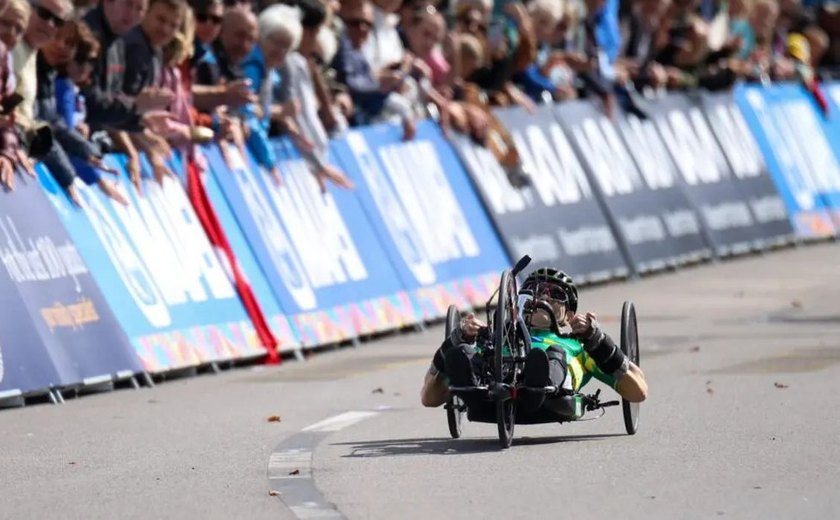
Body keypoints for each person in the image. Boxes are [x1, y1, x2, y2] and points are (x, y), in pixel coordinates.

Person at [421, 267, 648, 414]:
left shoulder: (580, 347)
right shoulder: (494, 340)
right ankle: (472, 391)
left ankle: (538, 385)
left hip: (551, 387)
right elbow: (428, 398)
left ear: (569, 315)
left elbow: (638, 391)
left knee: (552, 355)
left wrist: (599, 341)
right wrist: (456, 339)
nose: (543, 296)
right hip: (490, 386)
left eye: (555, 294)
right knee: (463, 354)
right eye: (535, 291)